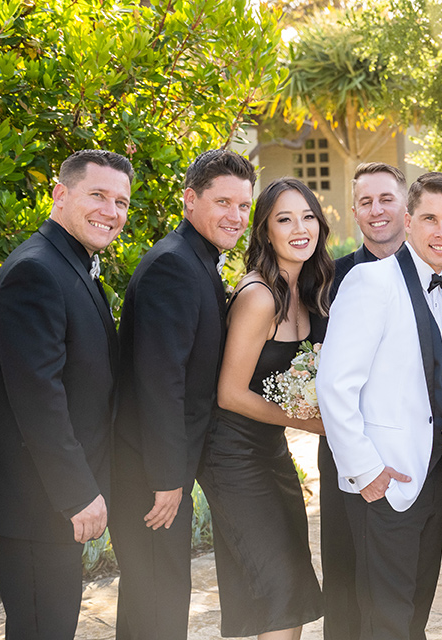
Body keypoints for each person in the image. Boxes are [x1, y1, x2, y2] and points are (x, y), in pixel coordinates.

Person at [0, 150, 132, 639]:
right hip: (30, 500)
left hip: (40, 499)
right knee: (43, 630)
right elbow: (39, 398)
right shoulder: (35, 272)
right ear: (60, 194)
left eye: (120, 202)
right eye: (97, 195)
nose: (111, 212)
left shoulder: (70, 262)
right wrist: (78, 491)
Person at [317, 172, 442, 640]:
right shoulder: (369, 280)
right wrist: (366, 470)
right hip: (387, 479)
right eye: (429, 219)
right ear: (408, 221)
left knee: (414, 613)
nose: (441, 232)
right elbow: (334, 385)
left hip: (435, 477)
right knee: (385, 619)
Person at [111, 149, 256, 640]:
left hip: (155, 467)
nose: (236, 217)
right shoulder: (174, 266)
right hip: (148, 473)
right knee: (161, 604)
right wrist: (168, 476)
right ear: (190, 200)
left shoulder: (197, 259)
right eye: (223, 203)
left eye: (243, 206)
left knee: (149, 600)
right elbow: (159, 382)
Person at [196, 178, 329, 639]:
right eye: (284, 218)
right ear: (265, 231)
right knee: (279, 590)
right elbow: (229, 393)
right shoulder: (258, 296)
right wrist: (311, 423)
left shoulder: (309, 292)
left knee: (288, 593)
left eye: (308, 216)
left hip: (270, 453)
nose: (300, 228)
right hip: (231, 457)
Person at [321, 161, 410, 640]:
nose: (376, 210)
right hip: (349, 455)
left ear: (406, 207)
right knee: (345, 576)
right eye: (366, 201)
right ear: (354, 210)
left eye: (386, 199)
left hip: (416, 459)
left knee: (402, 590)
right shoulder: (332, 277)